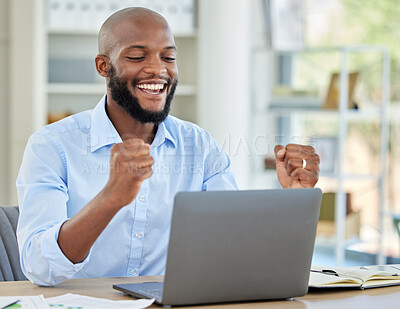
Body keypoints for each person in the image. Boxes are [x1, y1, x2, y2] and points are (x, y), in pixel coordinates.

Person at [16, 7, 320, 286]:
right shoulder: (52, 146)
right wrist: (111, 199)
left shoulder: (200, 146)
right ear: (103, 66)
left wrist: (293, 202)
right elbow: (40, 267)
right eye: (137, 57)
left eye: (169, 57)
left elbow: (235, 250)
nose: (158, 69)